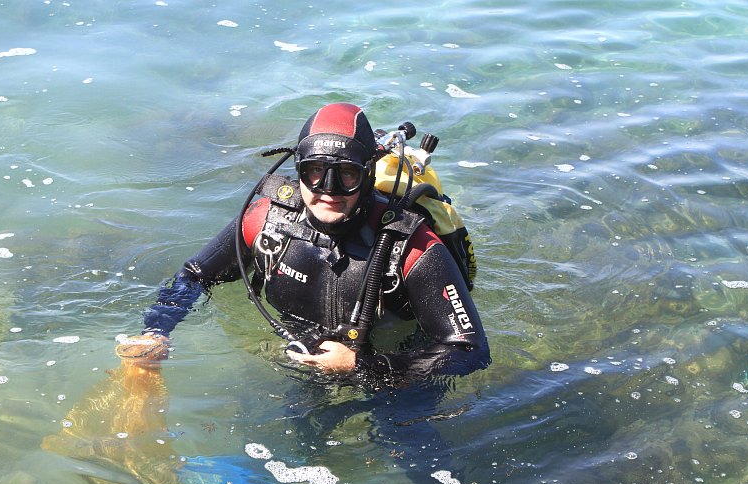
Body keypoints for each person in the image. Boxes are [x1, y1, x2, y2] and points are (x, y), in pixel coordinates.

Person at [119, 102, 490, 382]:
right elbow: (195, 274)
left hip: (396, 364)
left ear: (367, 174)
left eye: (346, 175)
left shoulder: (411, 247)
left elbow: (469, 350)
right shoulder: (265, 220)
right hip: (304, 354)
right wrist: (157, 330)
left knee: (404, 444)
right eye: (314, 172)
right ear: (297, 170)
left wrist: (363, 365)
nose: (328, 190)